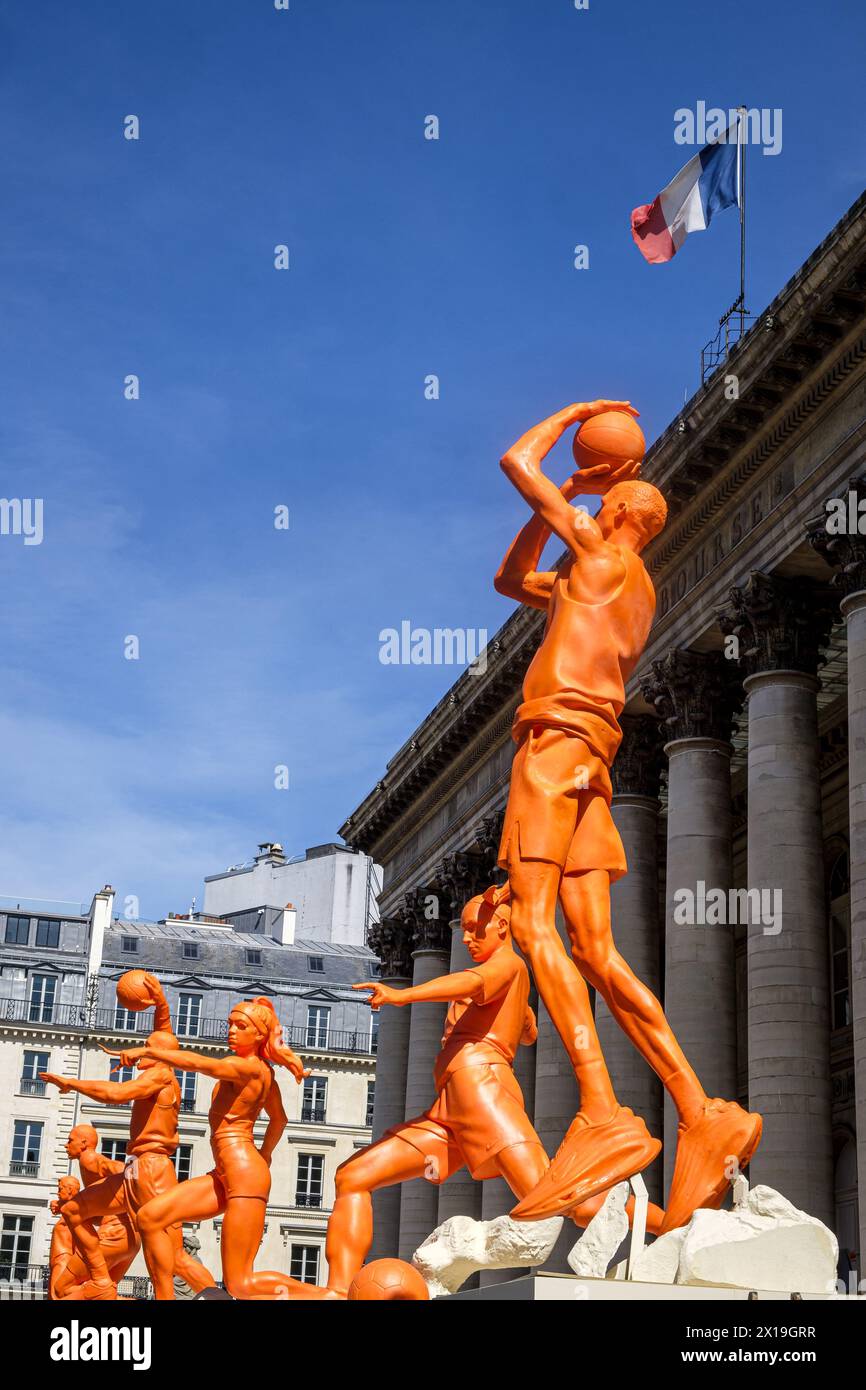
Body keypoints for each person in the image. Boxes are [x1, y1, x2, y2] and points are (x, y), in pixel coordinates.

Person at [495, 399, 761, 1231]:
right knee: (601, 952)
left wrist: (571, 424)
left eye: (596, 507)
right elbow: (510, 581)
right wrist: (570, 502)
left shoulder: (597, 557)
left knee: (535, 930)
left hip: (552, 749)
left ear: (610, 514)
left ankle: (604, 1108)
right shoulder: (626, 584)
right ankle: (698, 1105)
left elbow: (515, 464)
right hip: (597, 768)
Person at [279, 886, 569, 1299]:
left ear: (502, 926)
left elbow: (471, 982)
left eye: (474, 929)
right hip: (450, 1107)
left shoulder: (506, 966)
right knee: (352, 1176)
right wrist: (513, 1016)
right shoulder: (503, 979)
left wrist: (403, 994)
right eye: (464, 930)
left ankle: (662, 1223)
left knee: (551, 1196)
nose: (466, 938)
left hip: (483, 1093)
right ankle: (339, 1291)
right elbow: (528, 1030)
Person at [42, 988, 217, 1300]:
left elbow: (116, 1094)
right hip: (135, 1170)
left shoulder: (160, 1075)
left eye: (147, 1047)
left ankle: (218, 1296)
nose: (140, 1050)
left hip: (152, 1169)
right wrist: (160, 1000)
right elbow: (164, 1031)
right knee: (73, 1211)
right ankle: (99, 1281)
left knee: (174, 1256)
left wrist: (73, 1083)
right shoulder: (161, 1067)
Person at [130, 997, 308, 1300]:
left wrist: (149, 1051)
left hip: (243, 1177)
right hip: (228, 1173)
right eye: (230, 1024)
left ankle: (329, 1297)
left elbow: (204, 1064)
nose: (232, 1031)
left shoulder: (246, 1068)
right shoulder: (264, 1074)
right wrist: (263, 1156)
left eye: (241, 1026)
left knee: (241, 1283)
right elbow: (279, 1120)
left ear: (259, 1035)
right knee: (149, 1217)